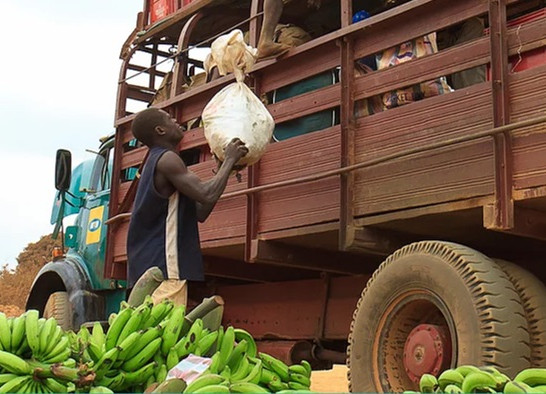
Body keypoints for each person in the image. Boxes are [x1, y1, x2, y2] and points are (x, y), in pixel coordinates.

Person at [126, 107, 248, 305]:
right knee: (163, 333)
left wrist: (224, 170)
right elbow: (207, 194)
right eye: (169, 118)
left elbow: (200, 211)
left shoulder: (156, 161)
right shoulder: (167, 159)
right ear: (160, 130)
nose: (176, 120)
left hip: (151, 267)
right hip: (164, 266)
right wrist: (229, 160)